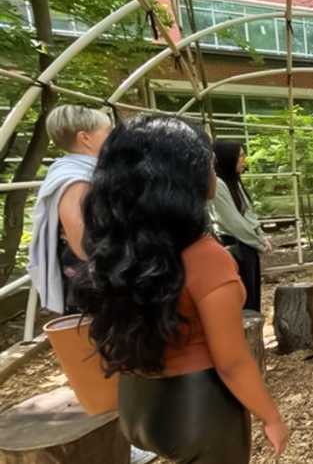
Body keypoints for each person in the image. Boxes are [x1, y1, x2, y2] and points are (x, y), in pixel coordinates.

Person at [74, 116, 288, 463]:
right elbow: (232, 362)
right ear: (181, 176)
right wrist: (271, 416)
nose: (213, 170)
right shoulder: (205, 257)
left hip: (136, 400)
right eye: (208, 162)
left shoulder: (121, 248)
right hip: (198, 408)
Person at [27, 104, 112, 315]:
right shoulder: (76, 180)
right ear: (85, 138)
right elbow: (82, 244)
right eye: (107, 132)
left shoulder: (77, 171)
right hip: (89, 271)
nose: (112, 138)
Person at [210, 140, 271, 312]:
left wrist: (261, 235)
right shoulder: (219, 184)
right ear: (229, 159)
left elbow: (248, 213)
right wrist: (258, 242)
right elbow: (233, 222)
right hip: (235, 247)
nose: (244, 160)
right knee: (244, 298)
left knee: (253, 295)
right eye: (241, 156)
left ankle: (253, 336)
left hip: (247, 245)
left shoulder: (234, 181)